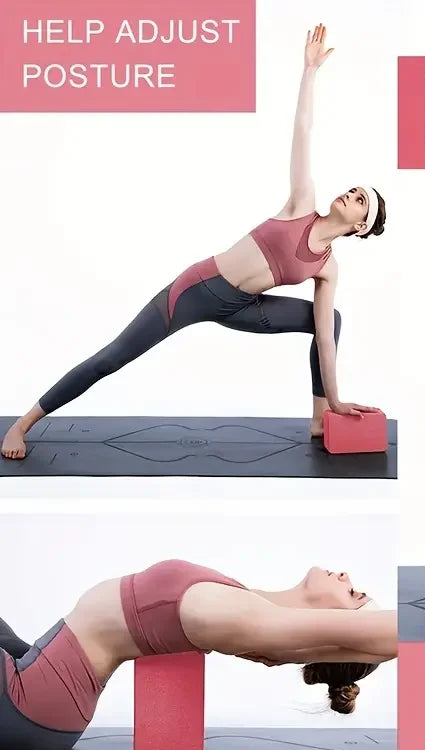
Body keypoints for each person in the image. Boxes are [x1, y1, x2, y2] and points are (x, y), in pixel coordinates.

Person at [2, 23, 387, 460]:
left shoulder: (327, 267)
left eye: (359, 201)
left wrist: (336, 402)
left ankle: (319, 418)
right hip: (196, 291)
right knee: (111, 358)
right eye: (353, 189)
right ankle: (22, 424)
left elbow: (323, 335)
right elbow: (303, 131)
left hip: (246, 309)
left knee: (330, 320)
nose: (350, 195)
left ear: (360, 226)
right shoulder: (303, 203)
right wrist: (310, 72)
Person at [0, 559, 396, 750]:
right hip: (37, 673)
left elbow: (392, 635)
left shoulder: (251, 621)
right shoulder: (249, 605)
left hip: (31, 703)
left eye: (353, 593)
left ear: (338, 623)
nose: (345, 575)